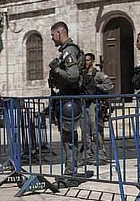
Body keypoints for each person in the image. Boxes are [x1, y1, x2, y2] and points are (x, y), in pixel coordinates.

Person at [48, 21, 82, 176]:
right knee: (67, 136)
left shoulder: (69, 51)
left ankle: (71, 171)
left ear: (59, 33)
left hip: (70, 100)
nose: (52, 39)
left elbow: (73, 76)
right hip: (65, 99)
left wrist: (56, 69)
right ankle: (70, 169)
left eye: (53, 35)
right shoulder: (66, 51)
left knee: (69, 138)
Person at [80, 52, 114, 165]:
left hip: (94, 104)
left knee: (96, 131)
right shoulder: (81, 74)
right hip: (84, 104)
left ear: (92, 61)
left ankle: (101, 155)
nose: (86, 62)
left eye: (88, 60)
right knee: (85, 131)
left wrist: (96, 87)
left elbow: (109, 85)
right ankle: (86, 155)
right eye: (84, 60)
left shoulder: (98, 74)